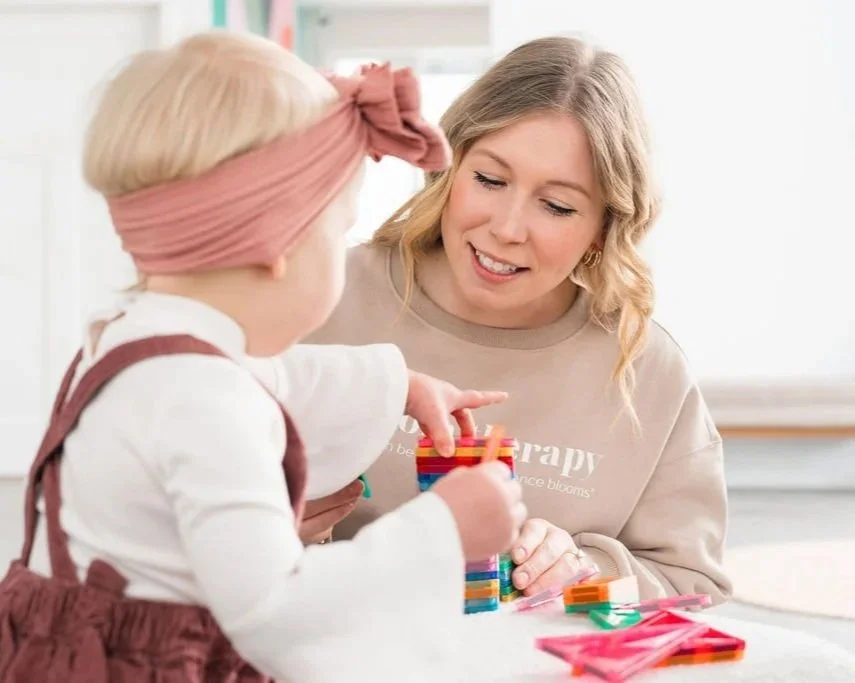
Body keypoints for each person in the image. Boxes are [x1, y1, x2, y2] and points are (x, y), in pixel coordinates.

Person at [0, 32, 526, 683]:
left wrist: (397, 385)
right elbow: (277, 611)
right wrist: (442, 530)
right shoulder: (203, 401)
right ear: (278, 245)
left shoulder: (131, 339)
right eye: (341, 230)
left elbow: (269, 380)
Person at [301, 35, 732, 604]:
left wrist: (586, 569)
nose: (507, 227)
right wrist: (276, 532)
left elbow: (695, 588)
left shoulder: (648, 372)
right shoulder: (317, 295)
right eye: (489, 179)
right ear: (448, 168)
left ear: (604, 227)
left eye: (556, 206)